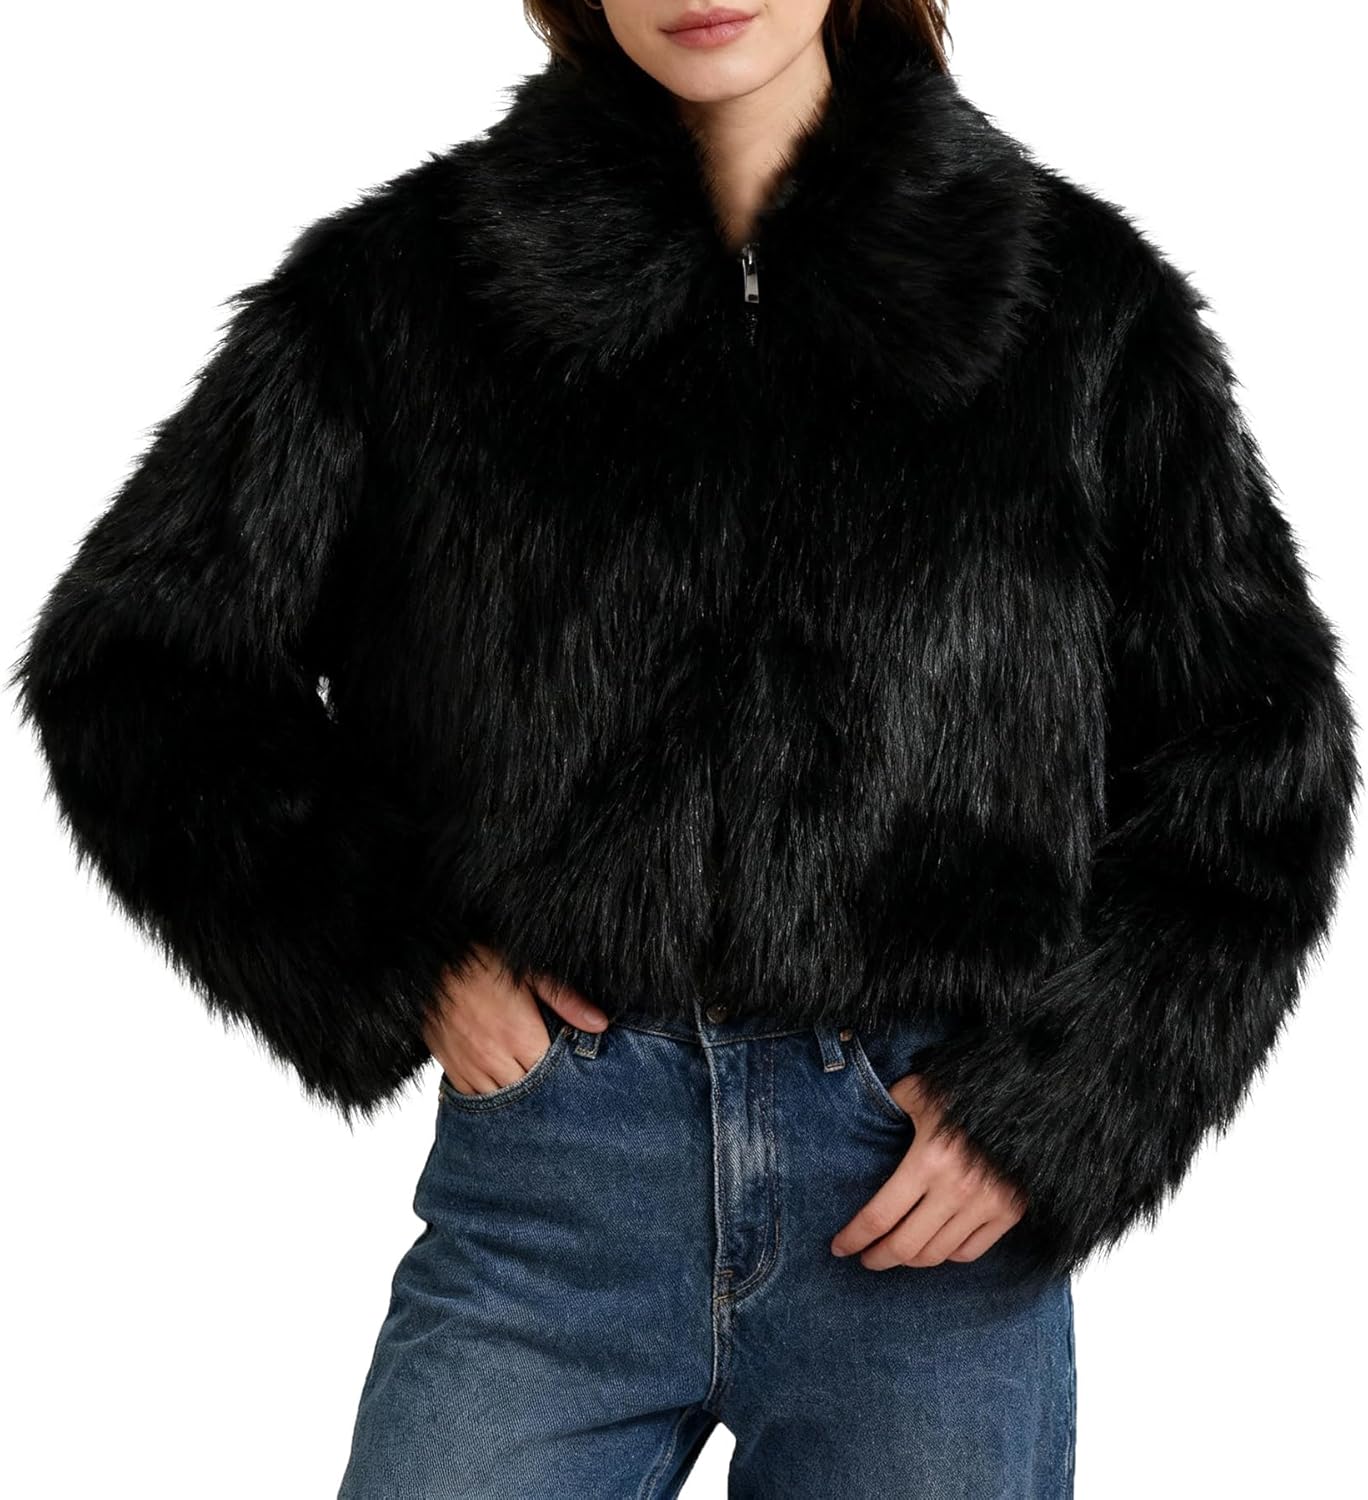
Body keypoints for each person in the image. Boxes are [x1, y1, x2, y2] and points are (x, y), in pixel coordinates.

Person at [11, 1, 1358, 1495]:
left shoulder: (1075, 309)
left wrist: (1058, 1111)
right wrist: (398, 954)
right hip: (556, 1187)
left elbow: (1259, 763)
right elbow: (136, 666)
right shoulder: (399, 294)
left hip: (915, 1190)